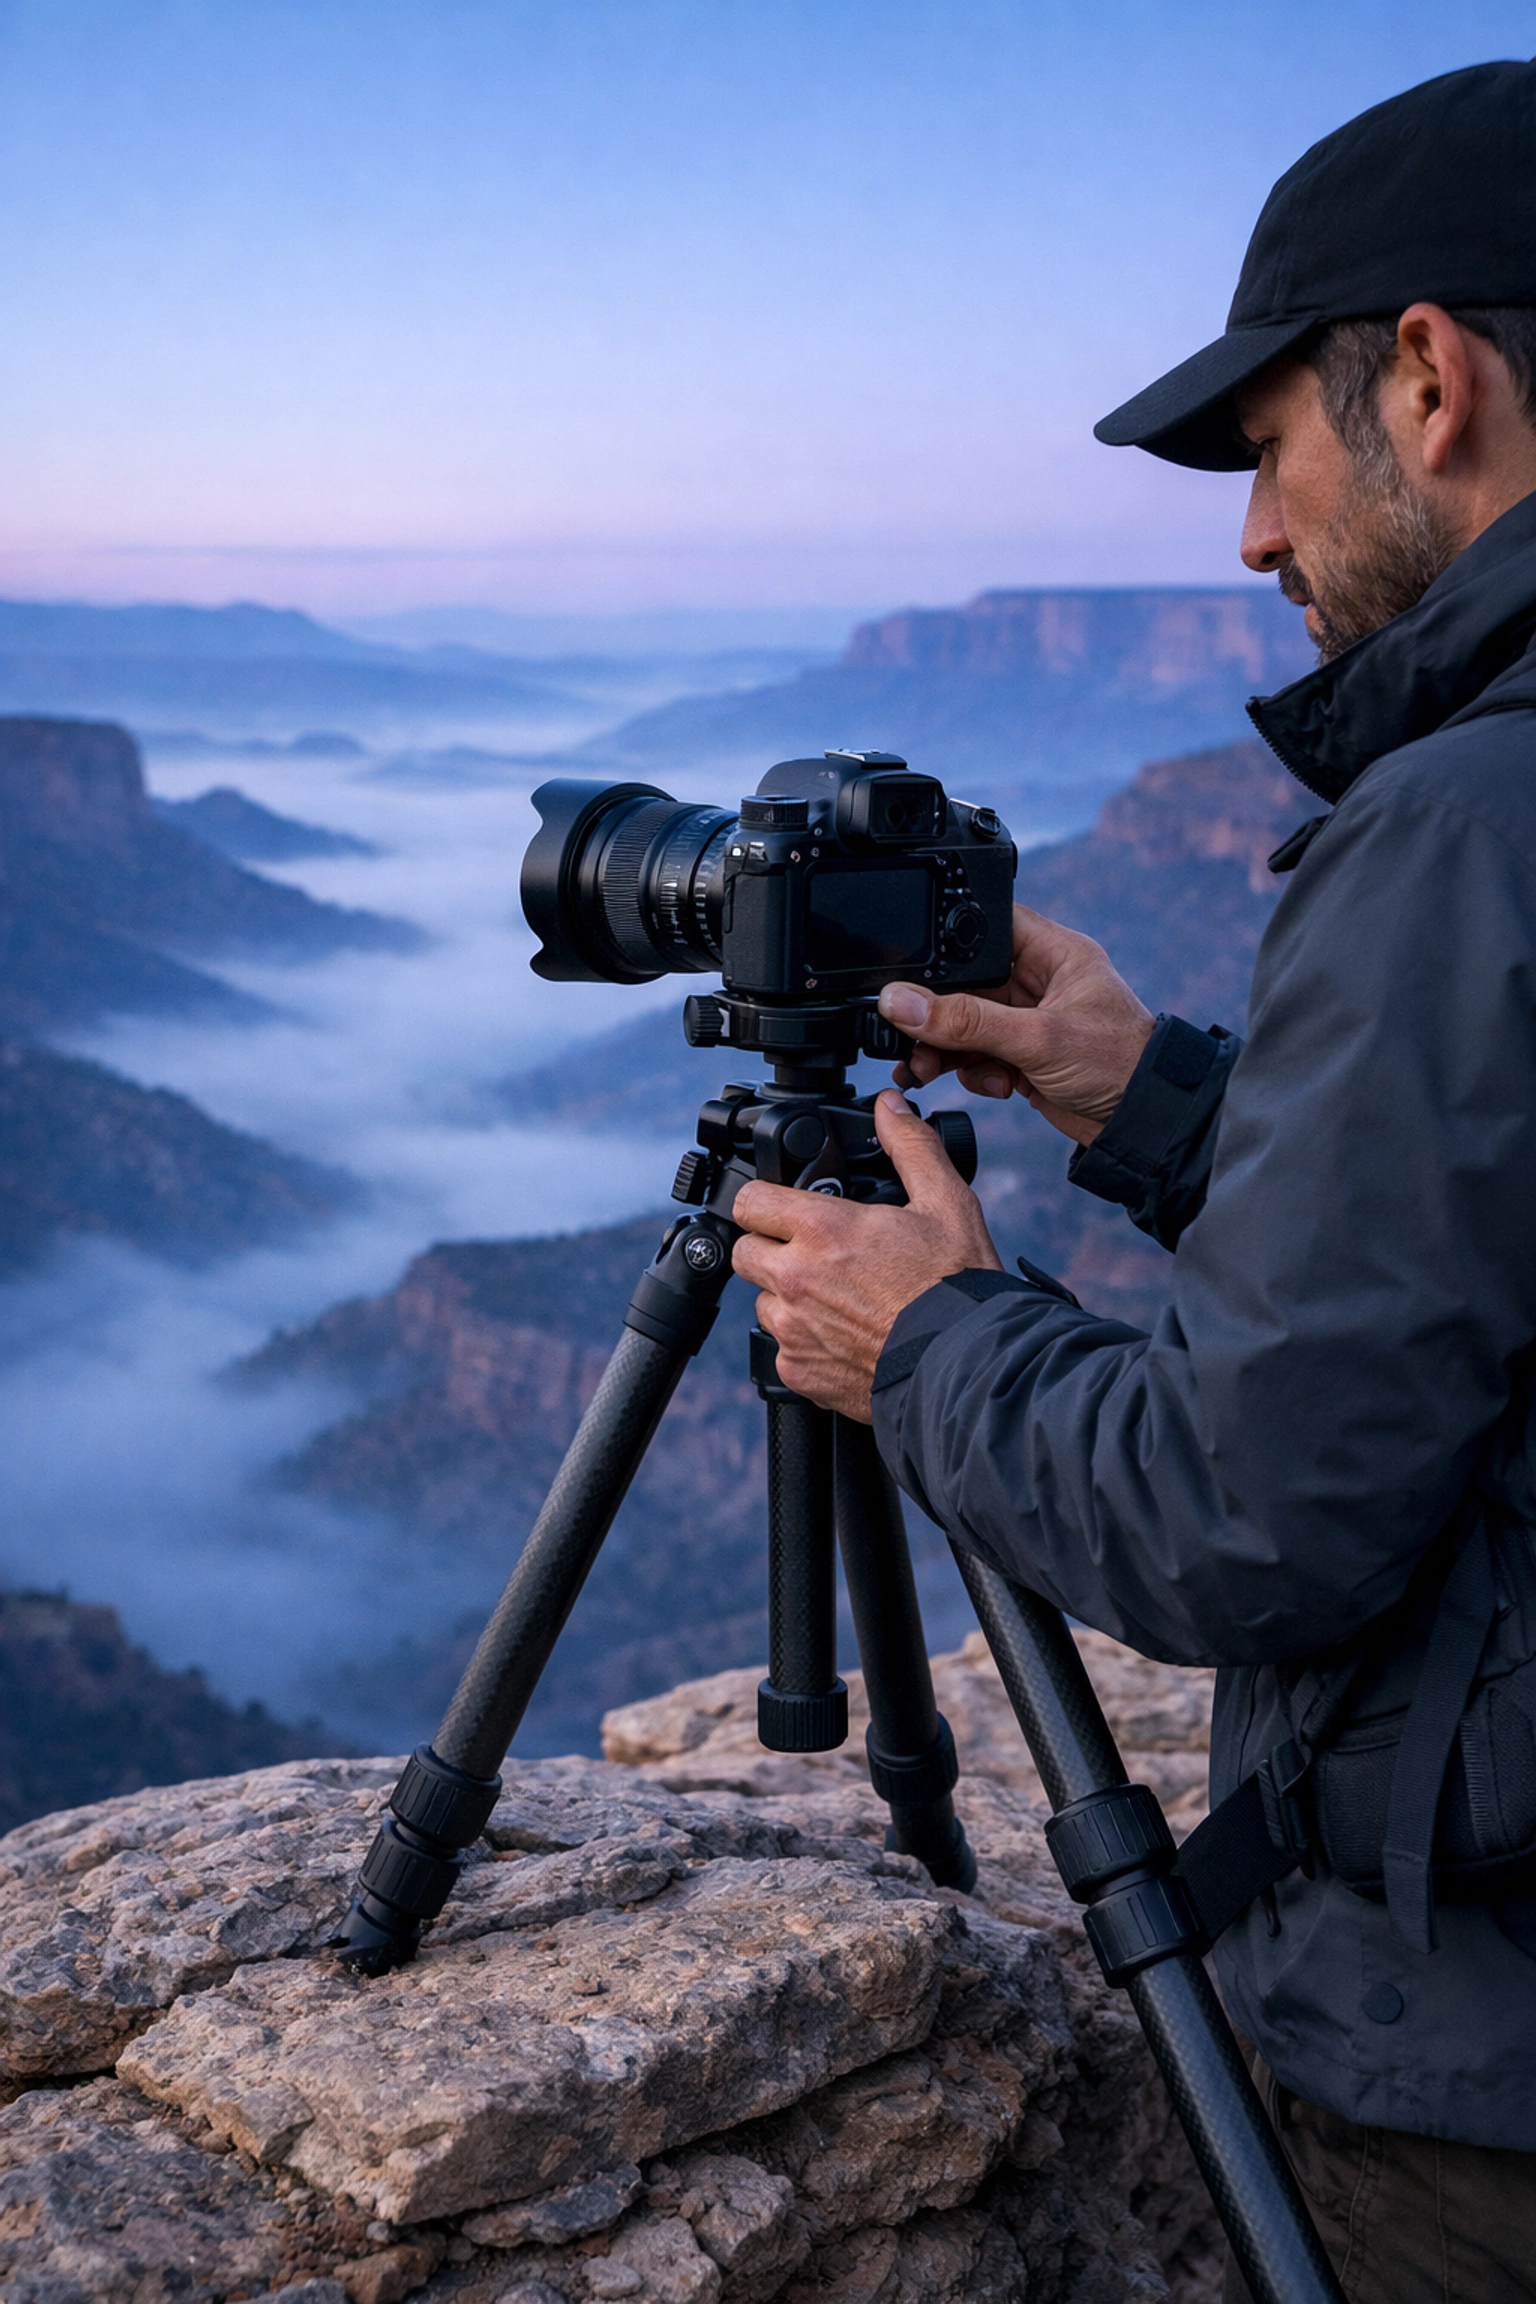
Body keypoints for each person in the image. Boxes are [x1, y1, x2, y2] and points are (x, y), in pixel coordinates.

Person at [731, 61, 1536, 2304]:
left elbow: (1239, 1517)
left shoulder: (1464, 827)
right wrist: (1154, 1097)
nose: (1254, 538)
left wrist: (928, 1341)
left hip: (1475, 2107)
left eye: (1265, 450)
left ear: (1429, 377)